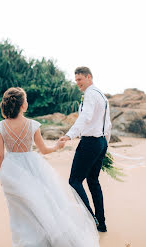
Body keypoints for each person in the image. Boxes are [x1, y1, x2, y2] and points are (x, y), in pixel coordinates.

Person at [0, 87, 107, 247]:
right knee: (44, 210)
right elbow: (44, 150)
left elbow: (0, 156)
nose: (27, 102)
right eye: (26, 99)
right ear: (22, 104)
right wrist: (58, 146)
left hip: (12, 172)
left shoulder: (1, 127)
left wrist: (3, 175)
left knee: (21, 216)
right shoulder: (32, 125)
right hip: (34, 168)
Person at [59, 67, 112, 232]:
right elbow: (107, 123)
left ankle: (91, 219)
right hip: (101, 142)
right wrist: (105, 145)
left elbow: (85, 117)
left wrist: (69, 135)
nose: (77, 83)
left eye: (80, 79)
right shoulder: (102, 95)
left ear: (89, 77)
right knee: (93, 181)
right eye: (76, 80)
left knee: (74, 181)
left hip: (90, 143)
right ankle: (101, 223)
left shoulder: (90, 94)